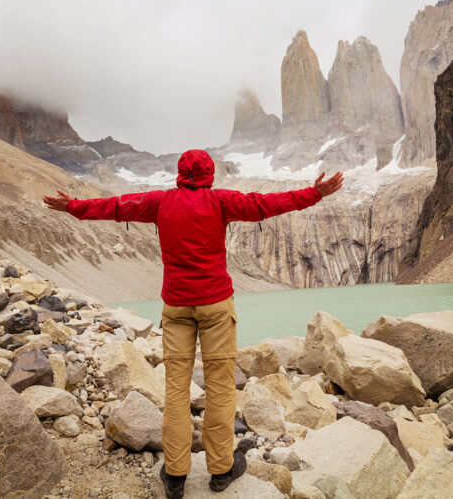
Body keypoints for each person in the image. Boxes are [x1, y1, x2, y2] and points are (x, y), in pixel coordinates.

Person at [44, 149, 343, 498]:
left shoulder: (159, 202)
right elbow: (266, 204)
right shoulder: (221, 202)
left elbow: (117, 206)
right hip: (216, 304)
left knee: (176, 389)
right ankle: (220, 469)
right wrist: (314, 193)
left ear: (179, 173)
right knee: (218, 388)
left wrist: (75, 207)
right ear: (209, 175)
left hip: (176, 306)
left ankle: (175, 474)